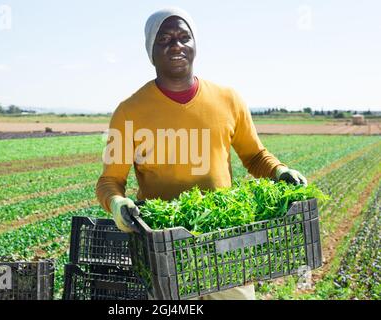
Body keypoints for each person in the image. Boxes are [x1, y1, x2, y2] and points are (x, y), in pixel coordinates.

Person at [96, 7, 307, 300]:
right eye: (165, 39)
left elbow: (255, 156)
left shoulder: (228, 99)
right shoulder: (129, 111)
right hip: (165, 244)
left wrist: (279, 170)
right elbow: (110, 180)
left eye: (184, 37)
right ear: (151, 51)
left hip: (227, 238)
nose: (176, 45)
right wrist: (117, 203)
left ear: (195, 45)